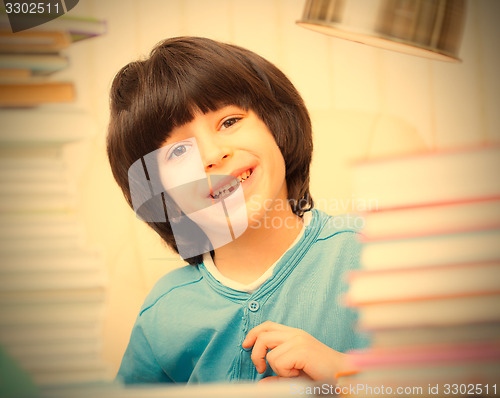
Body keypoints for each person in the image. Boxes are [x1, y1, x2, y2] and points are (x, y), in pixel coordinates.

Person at [107, 36, 369, 384]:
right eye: (179, 152)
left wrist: (347, 376)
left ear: (277, 125)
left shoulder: (374, 254)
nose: (213, 155)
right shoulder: (163, 312)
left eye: (229, 122)